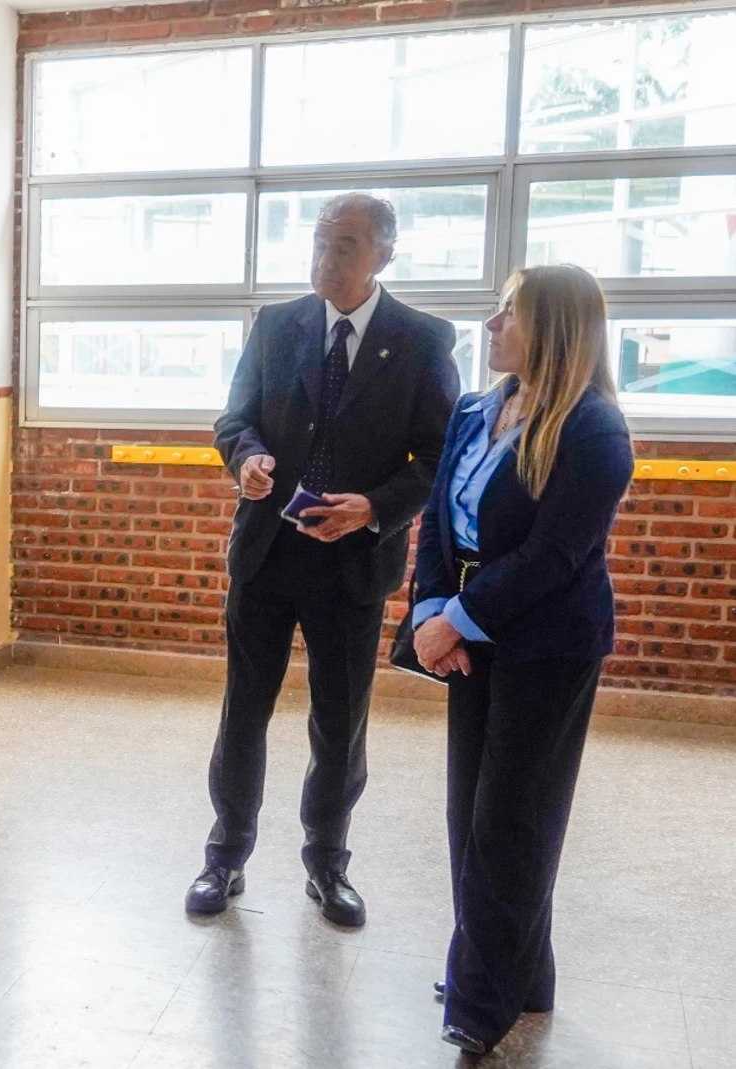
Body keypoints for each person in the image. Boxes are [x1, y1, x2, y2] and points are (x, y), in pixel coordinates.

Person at [190, 193, 460, 926]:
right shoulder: (277, 325)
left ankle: (328, 863)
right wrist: (247, 458)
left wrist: (373, 507)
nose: (326, 258)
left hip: (352, 562)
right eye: (319, 241)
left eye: (345, 245)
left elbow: (439, 455)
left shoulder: (422, 339)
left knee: (340, 724)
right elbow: (234, 419)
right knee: (243, 710)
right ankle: (225, 855)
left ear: (383, 255)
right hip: (267, 553)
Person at [410, 265, 632, 1057]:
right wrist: (431, 611)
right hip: (469, 627)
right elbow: (439, 519)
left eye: (510, 312)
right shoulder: (478, 408)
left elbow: (554, 555)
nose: (492, 323)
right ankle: (519, 972)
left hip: (548, 640)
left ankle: (482, 998)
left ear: (554, 328)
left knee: (512, 818)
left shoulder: (595, 431)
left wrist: (458, 618)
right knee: (470, 809)